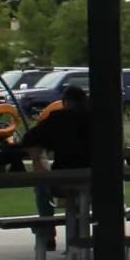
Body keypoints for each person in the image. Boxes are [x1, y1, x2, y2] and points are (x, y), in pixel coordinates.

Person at [20, 83, 93, 236]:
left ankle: (47, 230)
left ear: (65, 102)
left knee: (41, 185)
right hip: (98, 184)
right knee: (80, 191)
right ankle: (80, 235)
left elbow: (30, 139)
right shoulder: (98, 121)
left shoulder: (58, 119)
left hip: (64, 180)